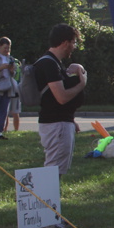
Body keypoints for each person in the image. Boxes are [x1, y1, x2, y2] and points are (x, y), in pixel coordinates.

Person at [35, 25, 86, 178]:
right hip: (56, 124)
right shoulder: (49, 64)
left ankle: (49, 193)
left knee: (56, 170)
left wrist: (71, 119)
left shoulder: (55, 63)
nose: (74, 47)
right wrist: (81, 84)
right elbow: (61, 97)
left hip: (60, 122)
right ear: (65, 43)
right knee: (53, 172)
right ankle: (46, 194)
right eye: (73, 42)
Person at [0, 37, 16, 140]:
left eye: (9, 48)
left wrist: (12, 70)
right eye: (5, 48)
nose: (7, 50)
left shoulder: (10, 58)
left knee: (4, 111)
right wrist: (1, 67)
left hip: (7, 86)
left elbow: (13, 73)